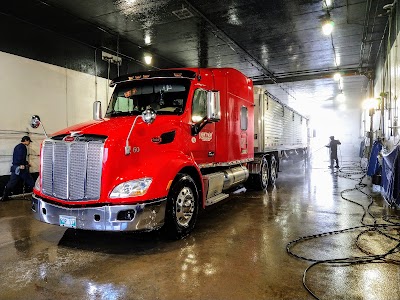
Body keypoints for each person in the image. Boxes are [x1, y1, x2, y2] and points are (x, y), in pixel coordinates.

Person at [1, 136, 34, 201]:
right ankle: (36, 196)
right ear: (26, 140)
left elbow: (18, 157)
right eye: (29, 141)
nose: (29, 143)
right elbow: (21, 157)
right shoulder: (22, 147)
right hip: (21, 168)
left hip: (15, 168)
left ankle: (4, 197)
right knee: (31, 181)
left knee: (11, 183)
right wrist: (24, 164)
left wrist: (26, 163)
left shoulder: (17, 146)